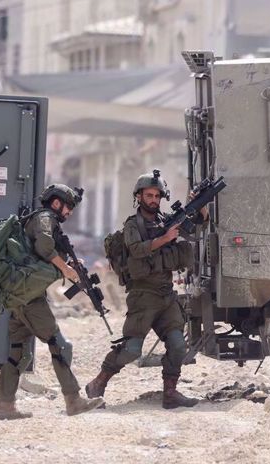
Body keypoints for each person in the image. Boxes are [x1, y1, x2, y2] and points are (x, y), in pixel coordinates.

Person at [86, 170, 207, 409]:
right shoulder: (133, 225)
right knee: (131, 349)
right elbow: (136, 250)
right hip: (143, 296)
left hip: (165, 294)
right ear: (139, 197)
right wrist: (164, 239)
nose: (153, 199)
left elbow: (194, 229)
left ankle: (170, 394)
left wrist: (200, 208)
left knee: (178, 344)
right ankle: (97, 384)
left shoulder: (165, 221)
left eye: (156, 196)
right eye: (148, 195)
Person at [0, 184, 104, 420]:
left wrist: (69, 264)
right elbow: (44, 246)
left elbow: (42, 252)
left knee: (18, 352)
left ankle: (6, 407)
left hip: (19, 295)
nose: (69, 213)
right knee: (59, 344)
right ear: (56, 203)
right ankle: (73, 400)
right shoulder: (45, 218)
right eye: (69, 208)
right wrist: (66, 270)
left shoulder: (39, 219)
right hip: (29, 297)